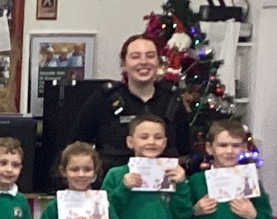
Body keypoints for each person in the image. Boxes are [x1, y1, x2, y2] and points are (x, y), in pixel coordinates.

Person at [71, 34, 194, 171]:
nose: (143, 62)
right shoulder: (104, 98)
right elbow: (78, 146)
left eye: (150, 56)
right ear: (123, 64)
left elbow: (184, 152)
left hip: (163, 180)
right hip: (113, 180)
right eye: (135, 56)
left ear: (158, 62)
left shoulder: (172, 99)